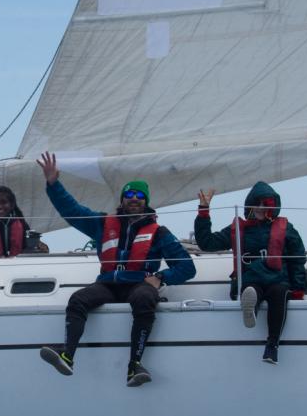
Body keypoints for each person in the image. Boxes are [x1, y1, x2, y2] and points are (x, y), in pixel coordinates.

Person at [35, 152, 195, 387]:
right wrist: (53, 184)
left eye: (139, 195)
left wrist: (161, 277)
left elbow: (187, 267)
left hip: (138, 284)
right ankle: (67, 354)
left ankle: (135, 365)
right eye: (129, 194)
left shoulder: (159, 233)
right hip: (108, 284)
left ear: (146, 201)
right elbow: (73, 211)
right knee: (78, 299)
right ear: (122, 200)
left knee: (144, 299)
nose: (134, 198)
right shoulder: (102, 223)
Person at [195, 183, 306, 365]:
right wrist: (203, 211)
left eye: (266, 204)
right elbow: (207, 242)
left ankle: (272, 345)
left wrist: (298, 289)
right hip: (251, 280)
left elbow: (297, 259)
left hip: (278, 280)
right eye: (257, 203)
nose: (261, 208)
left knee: (278, 293)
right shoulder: (239, 229)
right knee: (252, 290)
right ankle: (251, 310)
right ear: (250, 205)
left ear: (272, 206)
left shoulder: (287, 229)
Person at [0, 185, 47, 281]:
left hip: (17, 273)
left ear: (12, 204)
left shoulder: (21, 223)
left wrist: (40, 246)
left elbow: (29, 246)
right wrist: (1, 262)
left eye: (4, 202)